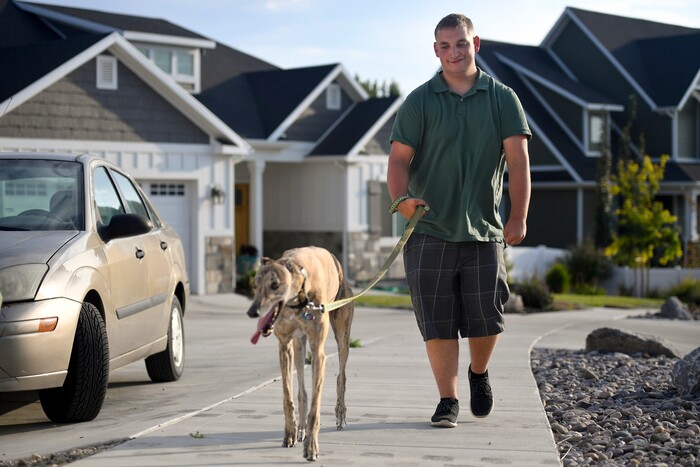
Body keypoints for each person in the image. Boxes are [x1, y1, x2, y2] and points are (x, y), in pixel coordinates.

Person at [387, 13, 531, 428]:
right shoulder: (419, 100)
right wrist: (402, 201)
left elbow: (519, 164)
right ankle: (447, 398)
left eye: (461, 43)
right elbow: (398, 161)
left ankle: (479, 373)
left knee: (488, 315)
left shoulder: (503, 98)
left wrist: (518, 215)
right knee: (437, 320)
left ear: (476, 44)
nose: (454, 52)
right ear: (436, 50)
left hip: (484, 228)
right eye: (445, 45)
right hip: (428, 228)